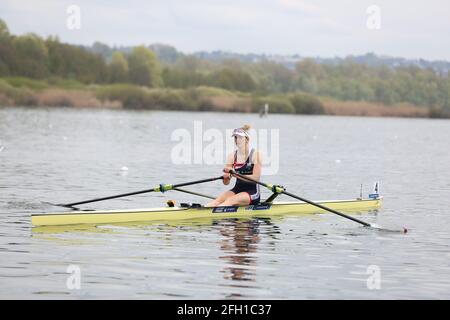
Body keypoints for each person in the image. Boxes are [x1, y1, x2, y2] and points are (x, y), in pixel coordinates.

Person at [206, 125, 262, 207]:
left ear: (247, 139)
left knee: (229, 201)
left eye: (240, 138)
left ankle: (216, 214)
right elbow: (226, 183)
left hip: (252, 192)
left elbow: (256, 179)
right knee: (216, 202)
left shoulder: (255, 155)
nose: (237, 140)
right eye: (235, 138)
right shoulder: (231, 156)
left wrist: (235, 175)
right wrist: (226, 177)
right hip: (237, 190)